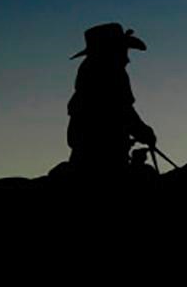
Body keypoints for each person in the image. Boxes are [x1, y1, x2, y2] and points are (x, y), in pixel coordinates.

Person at [66, 22, 157, 177]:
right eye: (123, 51)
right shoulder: (108, 72)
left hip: (90, 150)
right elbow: (121, 110)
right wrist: (143, 132)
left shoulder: (91, 70)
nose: (127, 58)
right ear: (112, 51)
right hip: (104, 157)